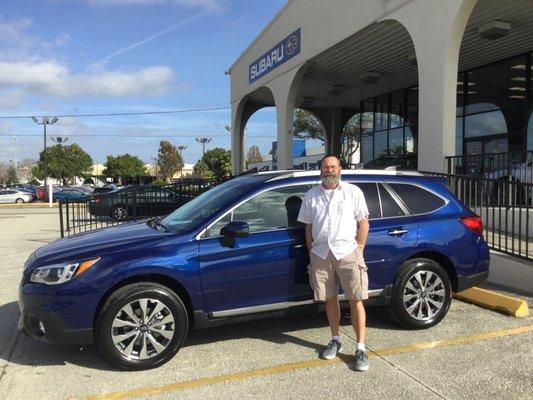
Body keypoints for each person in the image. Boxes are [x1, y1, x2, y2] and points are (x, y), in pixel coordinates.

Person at [297, 154, 370, 371]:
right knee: (329, 299)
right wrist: (312, 250)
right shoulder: (311, 195)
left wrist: (359, 248)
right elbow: (308, 227)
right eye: (325, 167)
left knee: (356, 299)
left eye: (333, 166)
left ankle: (360, 348)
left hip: (348, 252)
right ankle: (336, 339)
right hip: (321, 254)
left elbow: (364, 222)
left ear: (340, 169)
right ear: (320, 170)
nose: (329, 170)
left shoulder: (353, 192)